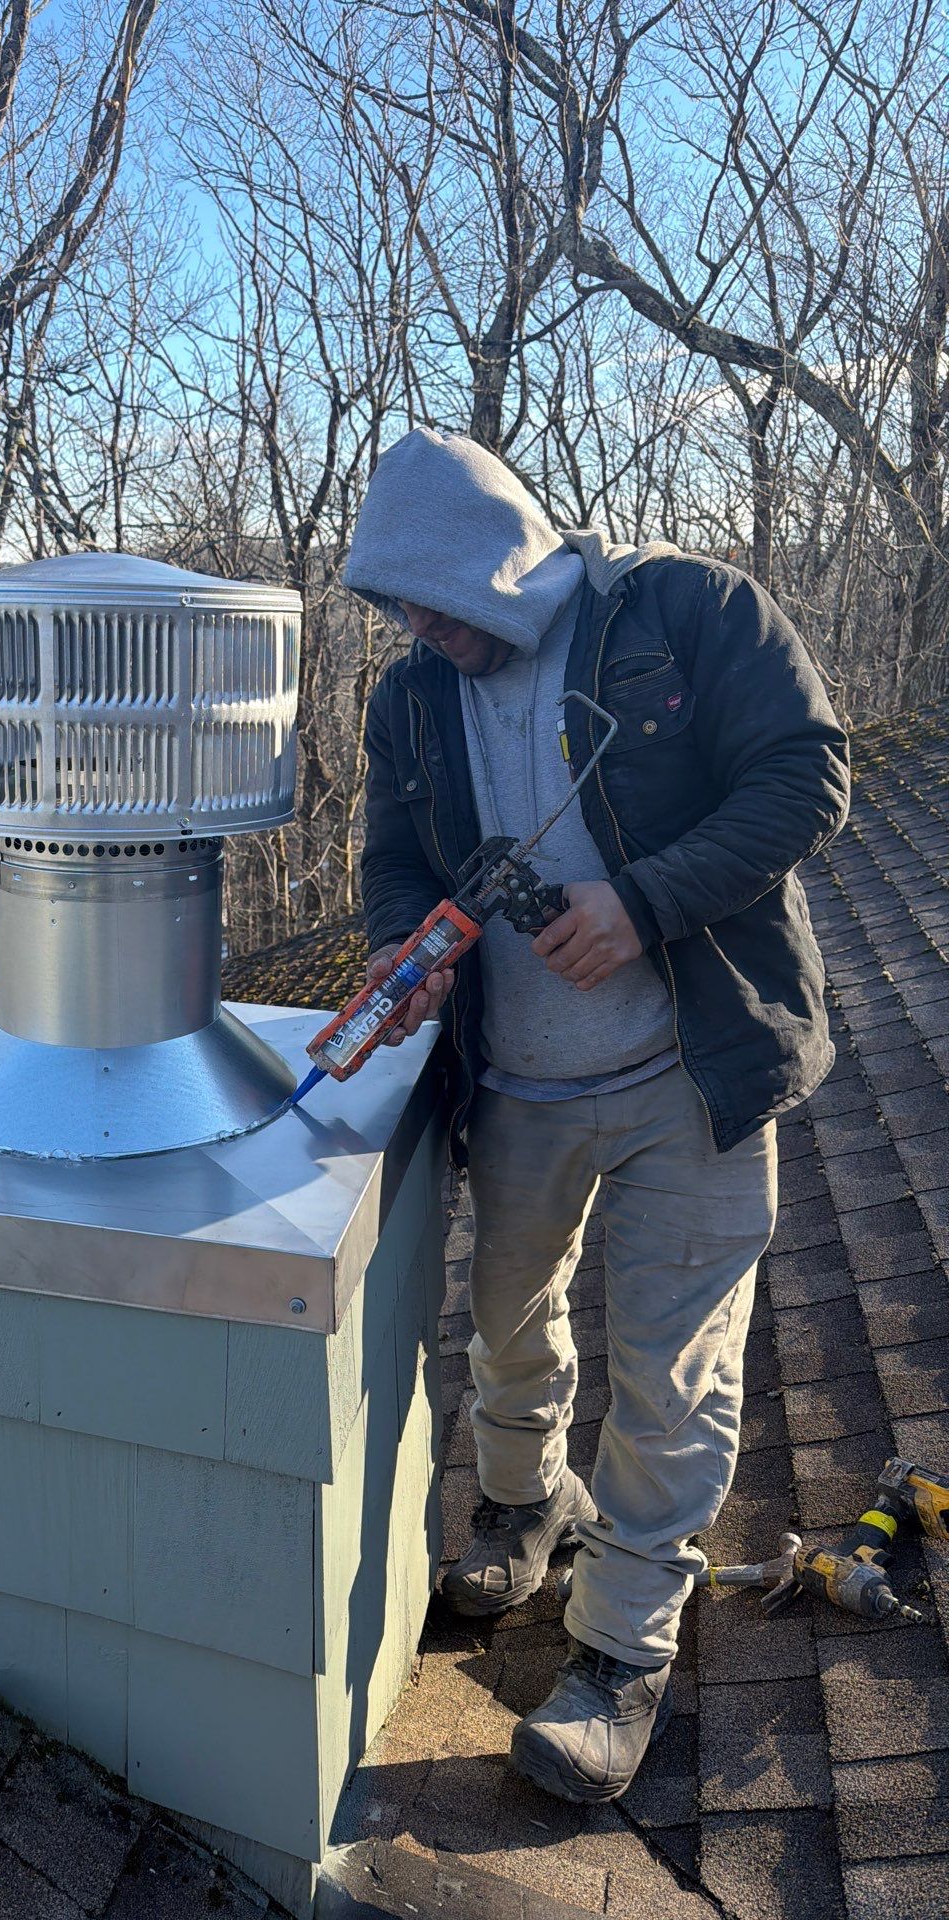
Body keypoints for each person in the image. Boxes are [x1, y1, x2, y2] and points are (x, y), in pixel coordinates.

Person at [342, 427, 850, 1804]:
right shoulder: (413, 698)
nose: (418, 628)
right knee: (507, 1323)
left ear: (498, 558)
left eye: (431, 599)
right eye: (395, 607)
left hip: (692, 1068)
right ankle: (526, 1504)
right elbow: (395, 858)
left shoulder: (687, 611)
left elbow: (806, 775)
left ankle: (623, 1646)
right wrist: (409, 948)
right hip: (516, 1081)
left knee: (674, 1374)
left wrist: (642, 903)